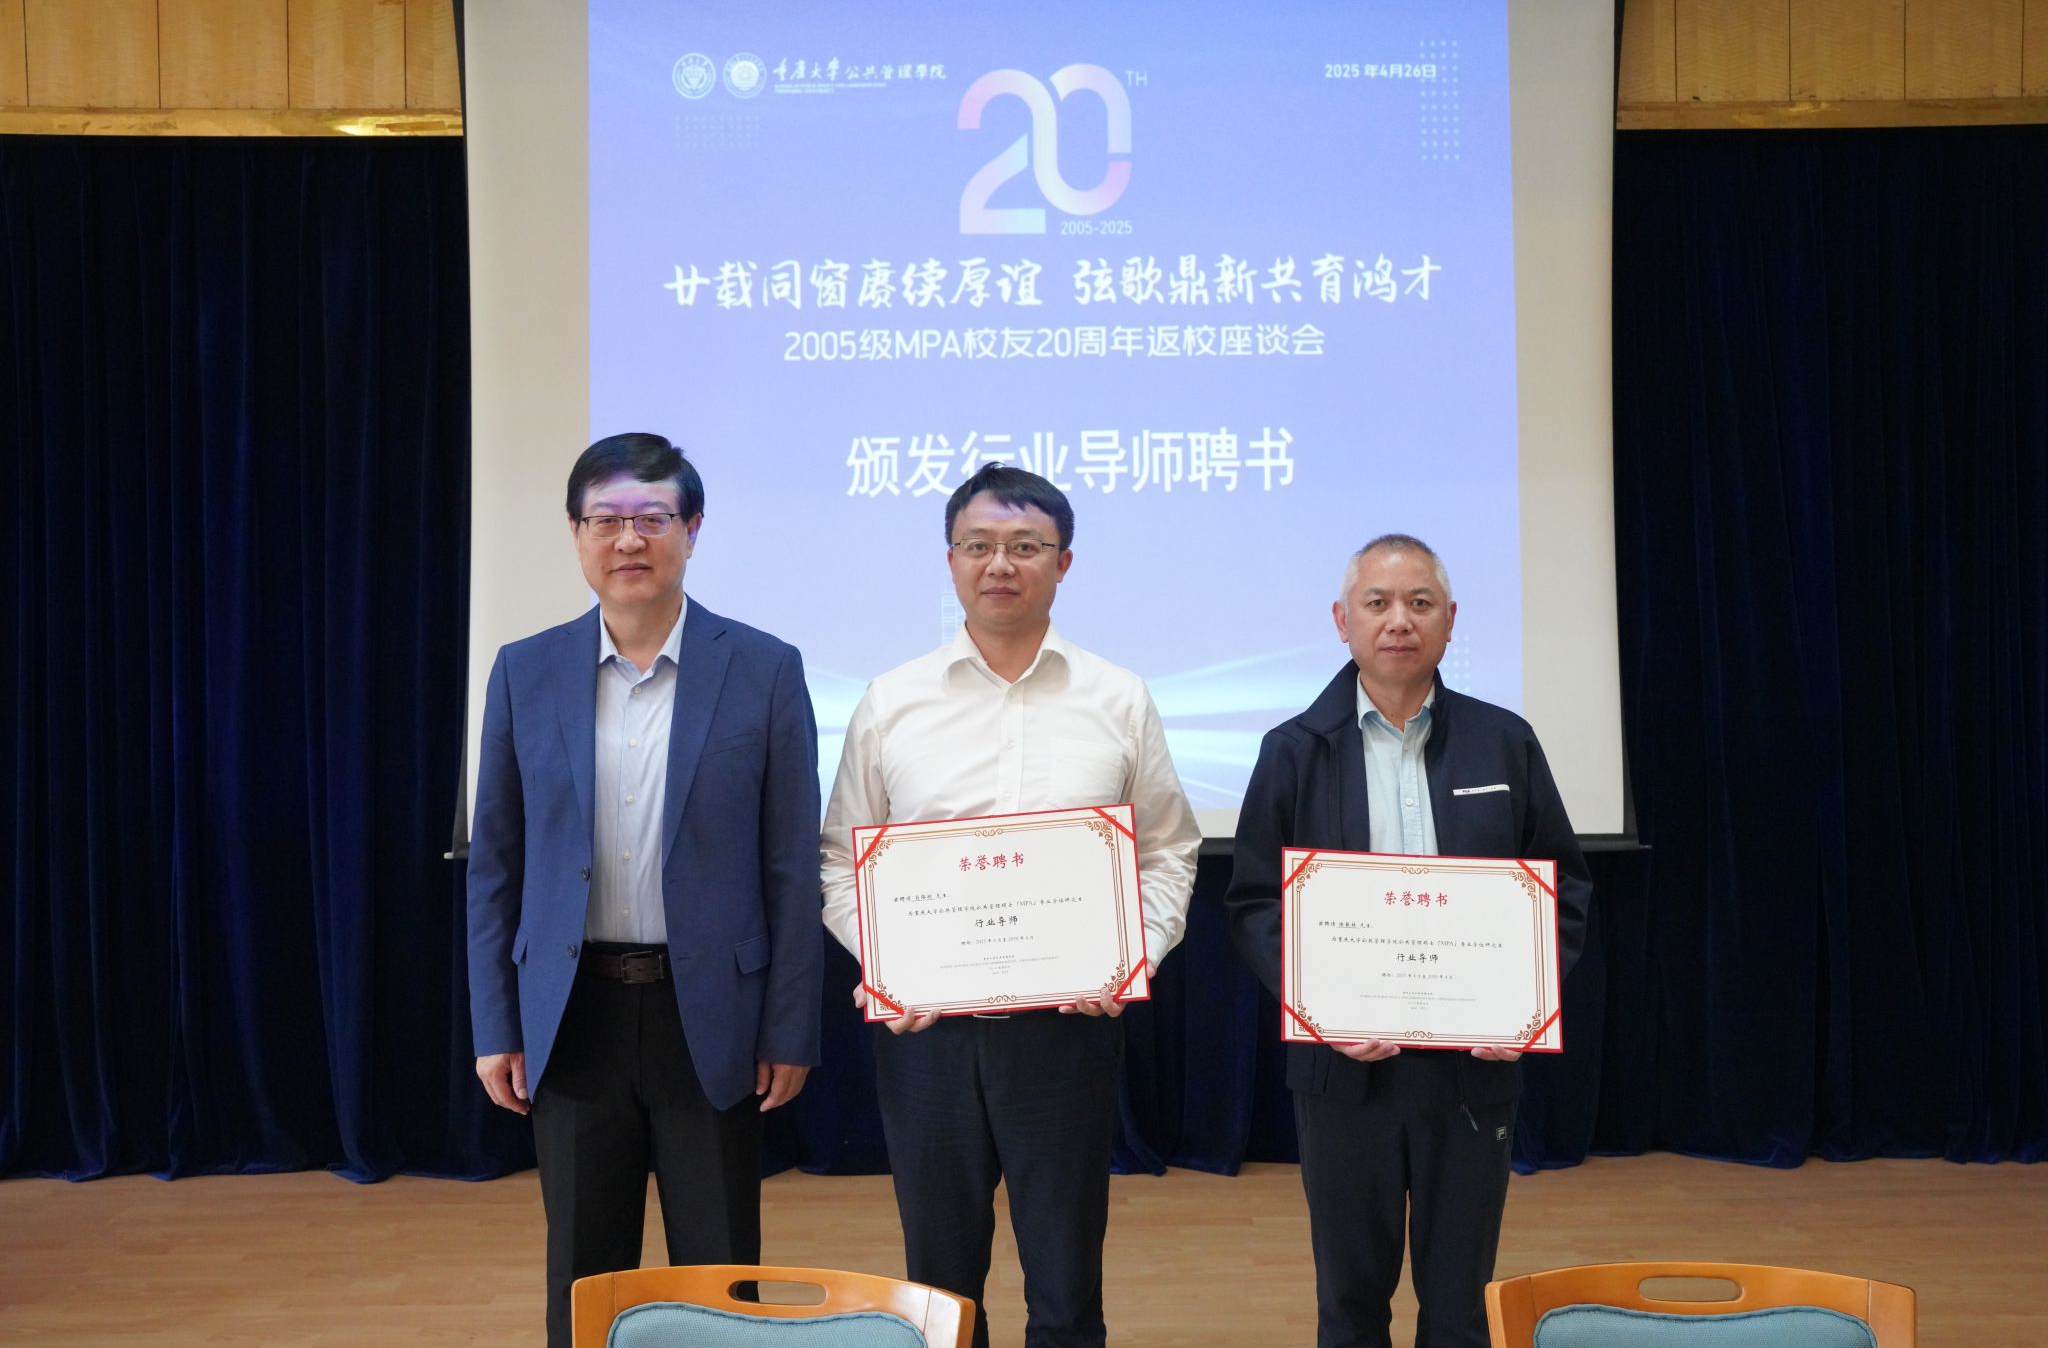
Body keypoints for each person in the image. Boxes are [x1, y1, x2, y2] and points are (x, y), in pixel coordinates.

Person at [820, 464, 1201, 1348]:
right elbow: (841, 860)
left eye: (1026, 546)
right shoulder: (892, 700)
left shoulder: (1117, 696)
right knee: (940, 1284)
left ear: (1063, 563)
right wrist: (886, 963)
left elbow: (1168, 849)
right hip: (928, 1035)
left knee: (1066, 1286)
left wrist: (1132, 955)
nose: (1001, 564)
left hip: (1066, 1032)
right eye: (980, 545)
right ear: (950, 559)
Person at [466, 432, 822, 1347]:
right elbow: (497, 861)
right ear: (576, 533)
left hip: (709, 1013)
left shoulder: (764, 668)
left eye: (652, 518)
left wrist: (788, 1026)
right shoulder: (524, 669)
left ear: (692, 530)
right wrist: (497, 1022)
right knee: (586, 1277)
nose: (629, 539)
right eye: (607, 519)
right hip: (571, 1012)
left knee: (719, 1273)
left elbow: (789, 865)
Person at [1226, 534, 1592, 1348]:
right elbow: (1253, 901)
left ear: (1450, 620)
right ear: (1342, 620)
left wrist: (1526, 1001)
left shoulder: (1505, 740)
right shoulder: (1293, 750)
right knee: (1350, 1303)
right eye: (1379, 603)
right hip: (1342, 1070)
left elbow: (1563, 886)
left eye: (1420, 602)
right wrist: (1319, 1005)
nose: (1400, 620)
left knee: (1460, 1304)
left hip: (1473, 1068)